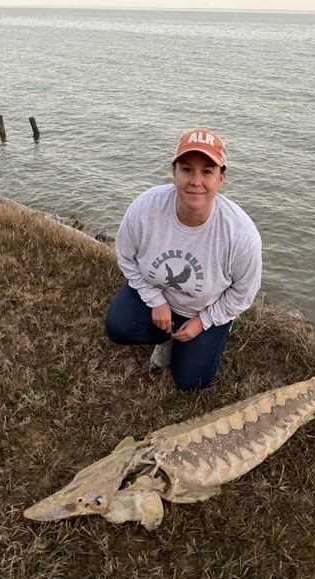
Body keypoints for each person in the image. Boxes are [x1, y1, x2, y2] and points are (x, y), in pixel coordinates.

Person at [105, 128, 262, 392]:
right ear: (174, 173)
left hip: (205, 309)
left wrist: (205, 321)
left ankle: (200, 335)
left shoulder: (241, 234)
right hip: (160, 295)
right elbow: (126, 257)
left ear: (221, 179)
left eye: (207, 171)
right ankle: (165, 337)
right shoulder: (145, 208)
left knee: (191, 381)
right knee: (118, 327)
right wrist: (156, 301)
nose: (196, 181)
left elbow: (244, 293)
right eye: (187, 169)